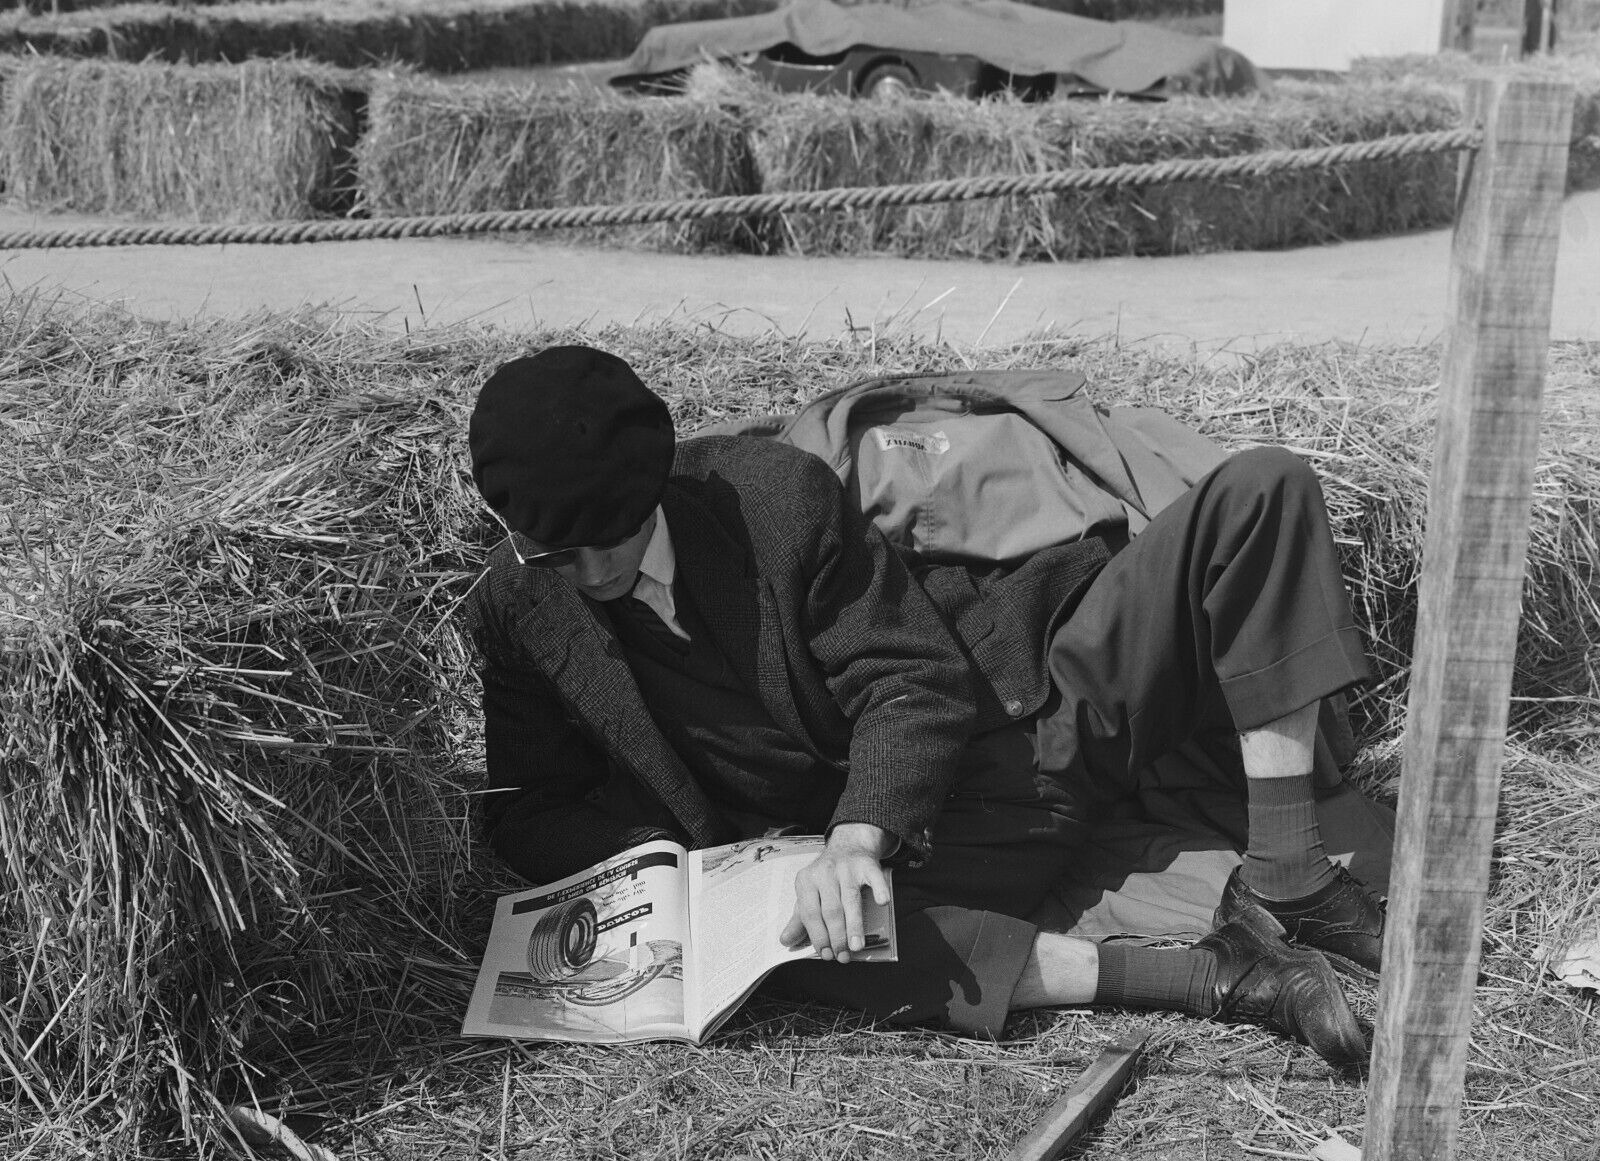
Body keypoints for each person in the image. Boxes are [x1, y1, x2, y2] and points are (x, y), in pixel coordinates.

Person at [463, 345, 1385, 1070]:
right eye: (557, 554)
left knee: (1262, 488)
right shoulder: (518, 608)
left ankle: (1287, 874)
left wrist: (856, 836)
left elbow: (910, 680)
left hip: (1039, 714)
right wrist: (673, 870)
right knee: (797, 950)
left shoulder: (770, 497)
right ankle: (1217, 977)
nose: (593, 572)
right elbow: (530, 805)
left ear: (655, 484)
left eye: (615, 536)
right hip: (943, 855)